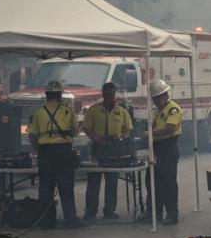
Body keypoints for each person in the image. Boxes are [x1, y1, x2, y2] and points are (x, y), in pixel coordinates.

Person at [28, 80, 81, 229]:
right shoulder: (67, 111)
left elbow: (32, 136)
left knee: (46, 188)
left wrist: (39, 149)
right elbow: (74, 132)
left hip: (45, 153)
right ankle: (71, 220)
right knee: (66, 187)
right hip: (64, 152)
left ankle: (47, 222)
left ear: (46, 95)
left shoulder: (38, 113)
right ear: (59, 96)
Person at [81, 82, 133, 221]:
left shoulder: (122, 112)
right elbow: (86, 128)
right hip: (98, 149)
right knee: (93, 182)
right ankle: (90, 212)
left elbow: (128, 130)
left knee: (112, 182)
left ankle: (110, 210)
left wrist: (120, 136)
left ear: (115, 94)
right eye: (107, 93)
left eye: (112, 93)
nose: (110, 96)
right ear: (103, 94)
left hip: (114, 150)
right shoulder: (94, 110)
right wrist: (94, 137)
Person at [149, 79, 182, 225]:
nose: (156, 101)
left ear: (165, 95)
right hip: (158, 148)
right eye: (154, 98)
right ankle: (155, 213)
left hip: (168, 148)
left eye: (158, 98)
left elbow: (170, 128)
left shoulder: (172, 109)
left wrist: (151, 133)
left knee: (169, 182)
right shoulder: (159, 110)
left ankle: (172, 214)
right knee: (156, 182)